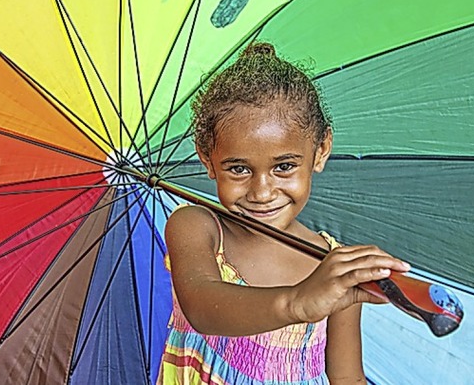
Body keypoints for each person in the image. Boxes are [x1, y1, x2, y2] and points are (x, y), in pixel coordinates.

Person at [157, 42, 410, 384]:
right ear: (207, 159)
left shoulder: (335, 269)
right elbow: (203, 306)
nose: (262, 192)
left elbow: (347, 377)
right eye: (238, 169)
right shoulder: (196, 226)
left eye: (285, 166)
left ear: (320, 151)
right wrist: (296, 303)